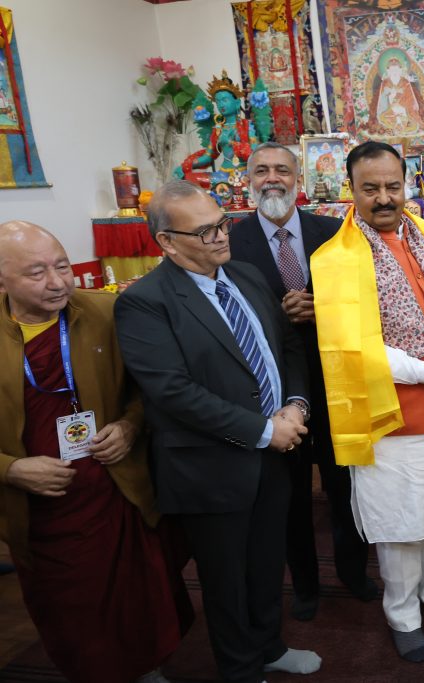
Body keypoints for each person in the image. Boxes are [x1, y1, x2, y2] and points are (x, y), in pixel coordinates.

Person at [115, 182, 321, 683]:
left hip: (277, 449)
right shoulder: (144, 302)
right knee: (226, 578)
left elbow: (287, 347)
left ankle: (269, 647)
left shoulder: (246, 275)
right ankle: (240, 669)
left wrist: (295, 406)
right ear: (167, 242)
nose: (222, 237)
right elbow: (173, 392)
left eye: (223, 224)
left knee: (267, 563)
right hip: (210, 464)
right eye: (205, 232)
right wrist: (262, 430)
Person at [310, 141, 424, 663]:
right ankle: (404, 614)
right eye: (370, 188)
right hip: (391, 411)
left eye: (393, 186)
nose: (384, 198)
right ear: (350, 189)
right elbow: (358, 346)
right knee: (402, 523)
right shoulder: (335, 259)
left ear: (406, 185)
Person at [0, 221, 190, 683]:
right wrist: (10, 469)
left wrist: (129, 426)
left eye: (63, 266)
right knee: (74, 612)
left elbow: (150, 389)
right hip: (41, 506)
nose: (57, 282)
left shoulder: (107, 311)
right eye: (37, 273)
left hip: (116, 487)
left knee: (140, 592)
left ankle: (149, 668)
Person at [229, 142, 379, 622]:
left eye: (282, 170)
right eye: (261, 171)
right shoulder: (230, 241)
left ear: (300, 178)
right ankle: (306, 585)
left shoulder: (333, 233)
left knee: (345, 485)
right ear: (248, 181)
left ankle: (354, 573)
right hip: (274, 390)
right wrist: (278, 313)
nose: (272, 178)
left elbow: (364, 301)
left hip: (337, 382)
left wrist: (323, 309)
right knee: (289, 494)